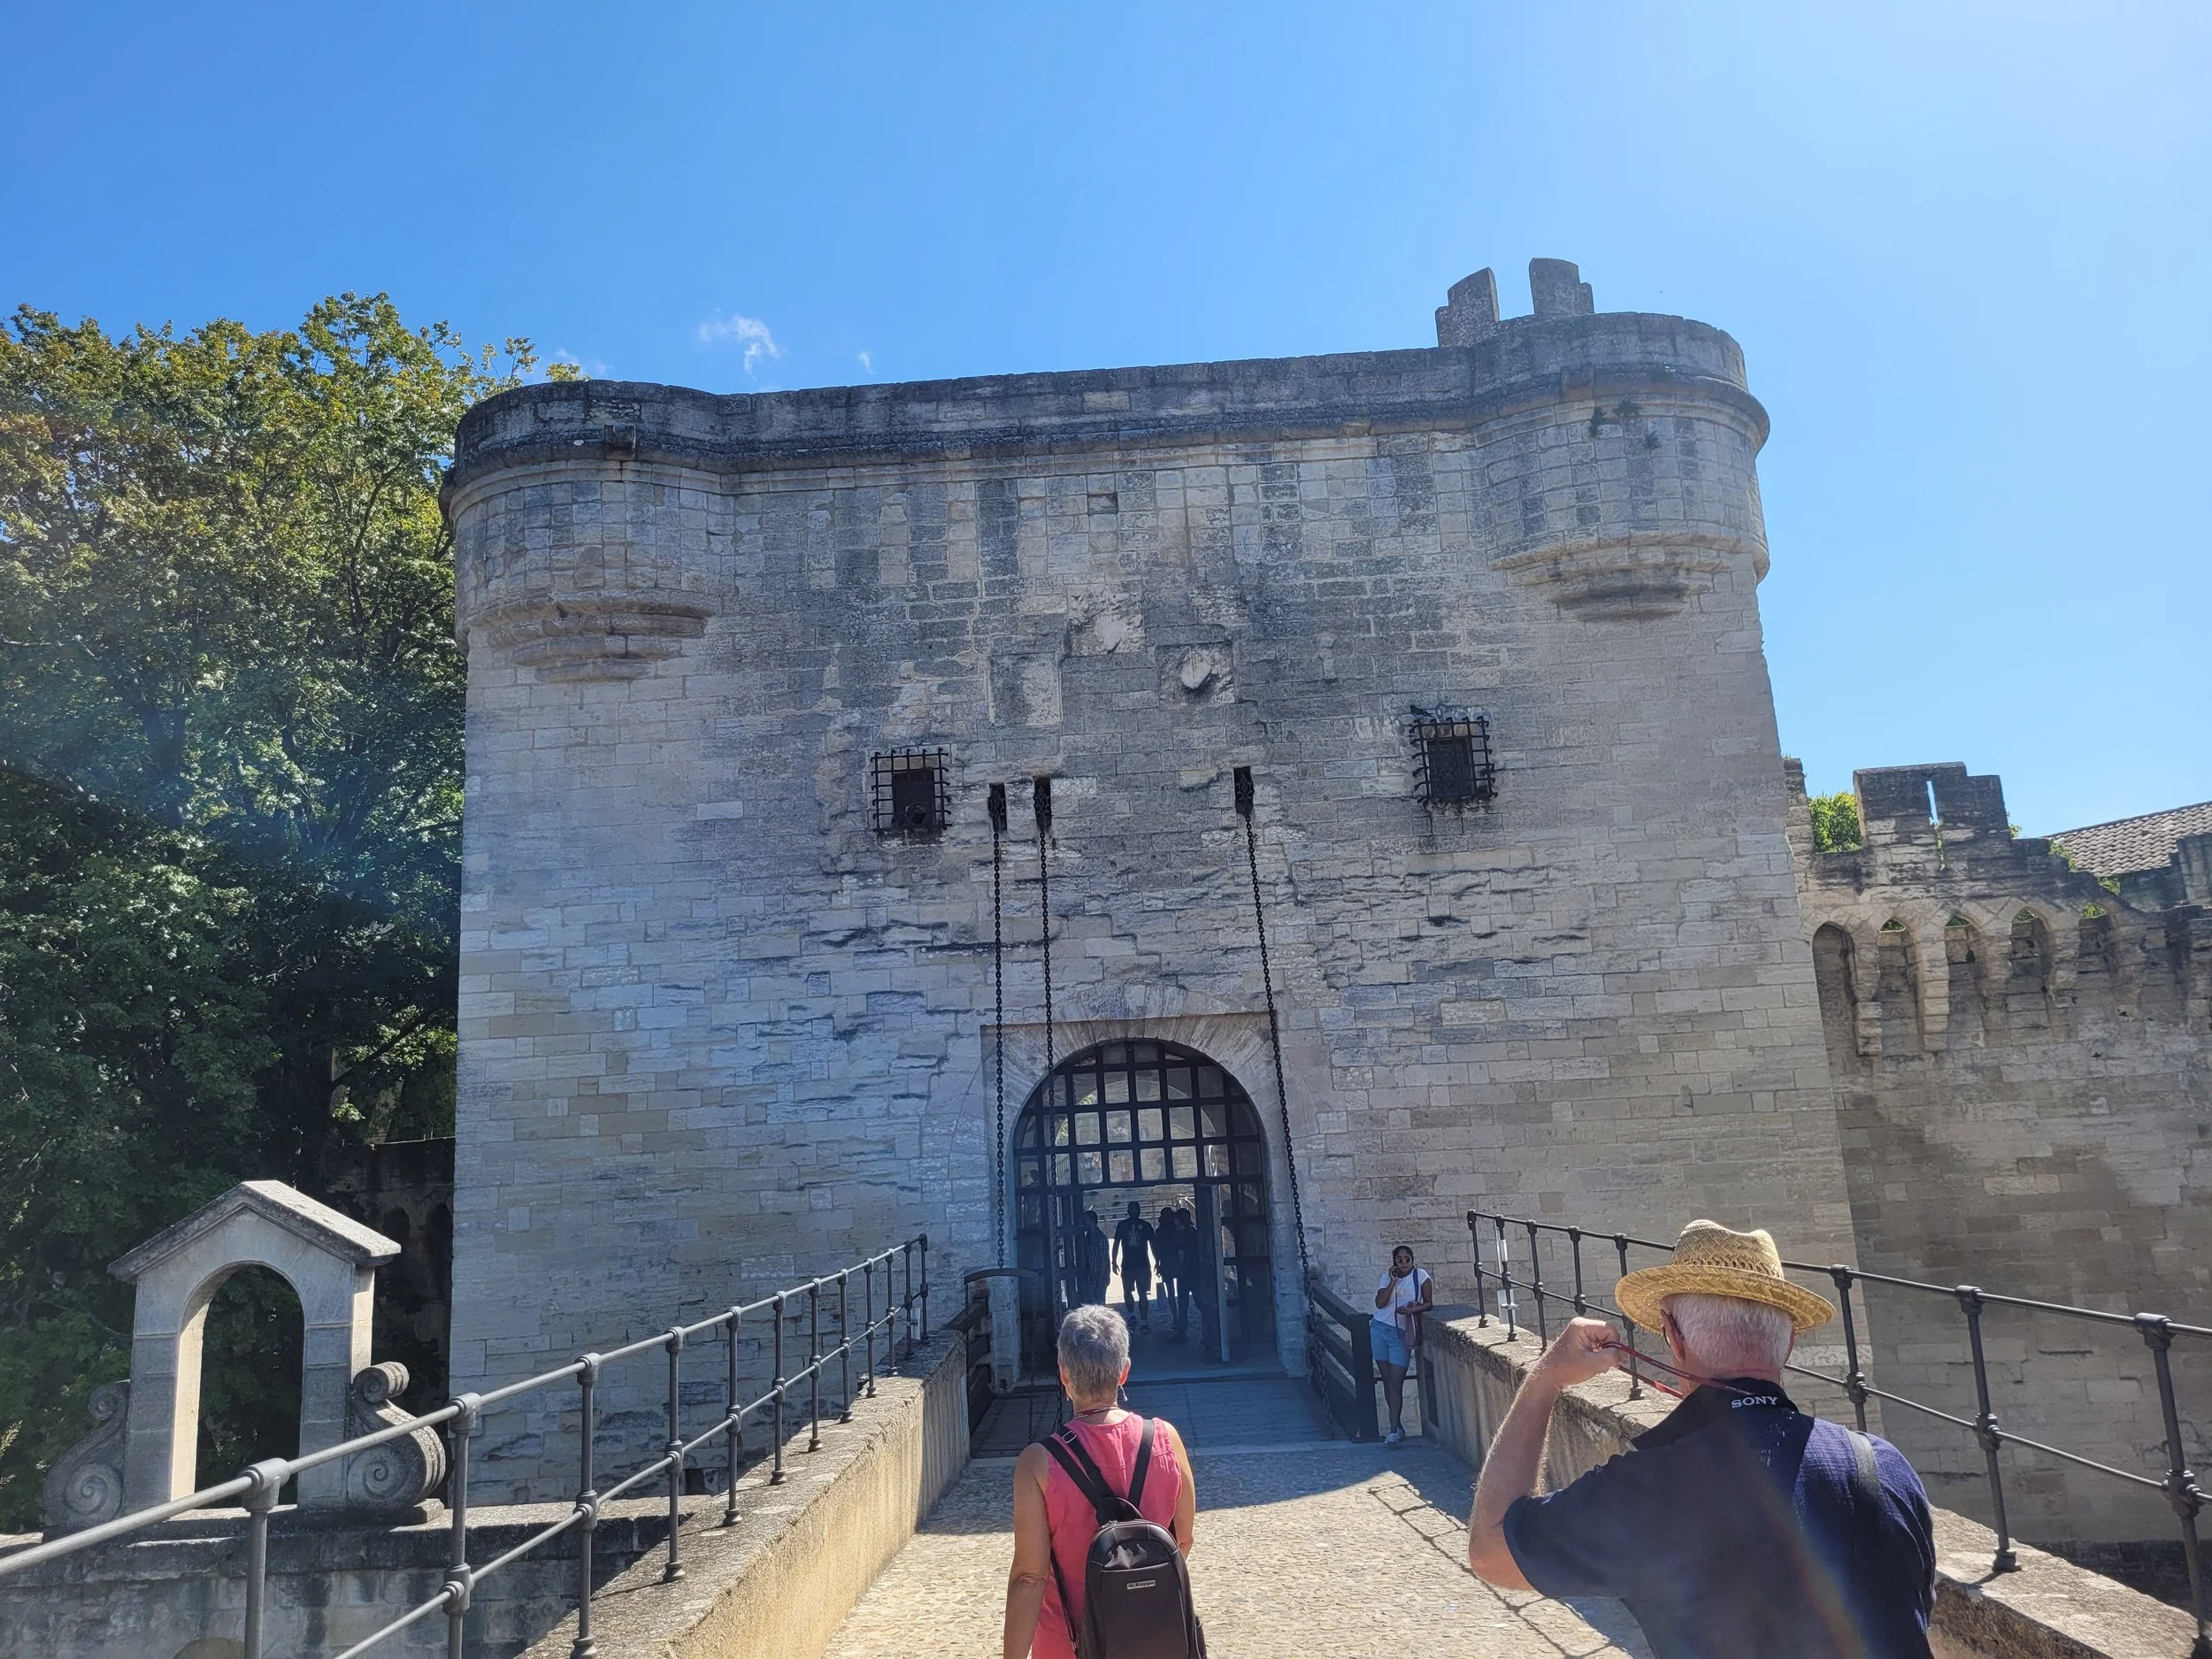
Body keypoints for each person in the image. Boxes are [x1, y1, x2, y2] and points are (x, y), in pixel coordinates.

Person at [1466, 1219, 1939, 1658]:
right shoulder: (1884, 1467)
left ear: (1674, 1337)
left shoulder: (1649, 1489)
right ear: (1789, 1341)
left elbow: (1490, 1553)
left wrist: (1546, 1378)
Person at [1002, 1303, 1197, 1659]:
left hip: (1069, 1645)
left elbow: (1029, 1578)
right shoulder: (1167, 1440)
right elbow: (1181, 1539)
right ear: (1124, 1372)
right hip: (1155, 1641)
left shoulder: (1038, 1463)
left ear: (1063, 1373)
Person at [1371, 1242, 1432, 1445]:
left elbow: (1429, 1303)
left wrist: (1413, 1309)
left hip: (1400, 1335)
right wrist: (1392, 1282)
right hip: (1379, 1330)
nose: (1404, 1262)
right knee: (1388, 1382)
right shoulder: (1387, 1278)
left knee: (1396, 1383)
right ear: (1394, 1262)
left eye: (1407, 1259)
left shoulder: (1421, 1276)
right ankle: (1396, 1427)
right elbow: (1380, 1303)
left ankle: (1394, 1428)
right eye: (1400, 1259)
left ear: (1412, 1260)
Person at [1112, 1202, 1157, 1332]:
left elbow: (1116, 1244)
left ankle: (1137, 1318)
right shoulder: (1145, 1225)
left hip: (1134, 1264)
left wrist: (1114, 1261)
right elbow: (1153, 1245)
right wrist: (1113, 1261)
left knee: (1135, 1292)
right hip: (1138, 1264)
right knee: (1137, 1292)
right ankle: (1140, 1319)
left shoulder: (1123, 1226)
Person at [1076, 1210, 1110, 1307]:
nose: (1082, 1223)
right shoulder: (1087, 1237)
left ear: (1091, 1221)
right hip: (1089, 1279)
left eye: (1084, 1220)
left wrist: (1099, 1284)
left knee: (1098, 1308)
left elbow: (1104, 1261)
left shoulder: (1101, 1238)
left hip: (1097, 1279)